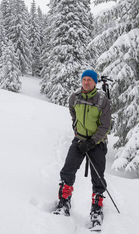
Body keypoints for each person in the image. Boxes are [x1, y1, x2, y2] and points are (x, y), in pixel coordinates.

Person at [53, 69, 111, 222]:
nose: (86, 82)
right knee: (67, 171)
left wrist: (92, 142)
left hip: (97, 143)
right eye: (84, 79)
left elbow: (105, 126)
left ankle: (96, 209)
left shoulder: (102, 100)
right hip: (79, 140)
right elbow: (73, 114)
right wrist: (76, 129)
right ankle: (64, 203)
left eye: (89, 80)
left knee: (98, 177)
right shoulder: (75, 97)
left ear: (94, 82)